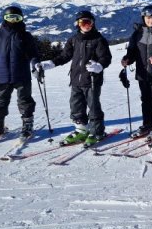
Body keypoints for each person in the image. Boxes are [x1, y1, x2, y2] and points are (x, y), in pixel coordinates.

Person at [37, 10, 112, 146]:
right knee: (76, 105)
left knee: (93, 107)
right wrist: (51, 63)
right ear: (77, 24)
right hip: (76, 79)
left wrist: (99, 66)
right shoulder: (74, 39)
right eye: (83, 22)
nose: (86, 25)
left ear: (93, 23)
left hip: (92, 80)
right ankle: (81, 130)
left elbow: (106, 58)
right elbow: (65, 56)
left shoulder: (98, 39)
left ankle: (97, 132)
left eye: (89, 22)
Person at [0, 6, 40, 140]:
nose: (13, 21)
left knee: (25, 101)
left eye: (16, 18)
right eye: (10, 18)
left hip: (22, 75)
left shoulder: (26, 36)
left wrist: (36, 66)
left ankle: (27, 125)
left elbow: (33, 54)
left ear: (21, 19)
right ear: (4, 18)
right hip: (3, 77)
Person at [121, 5, 152, 141]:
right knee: (145, 100)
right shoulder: (137, 33)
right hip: (143, 72)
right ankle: (148, 124)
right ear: (144, 18)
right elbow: (132, 51)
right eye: (148, 18)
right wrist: (127, 60)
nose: (151, 20)